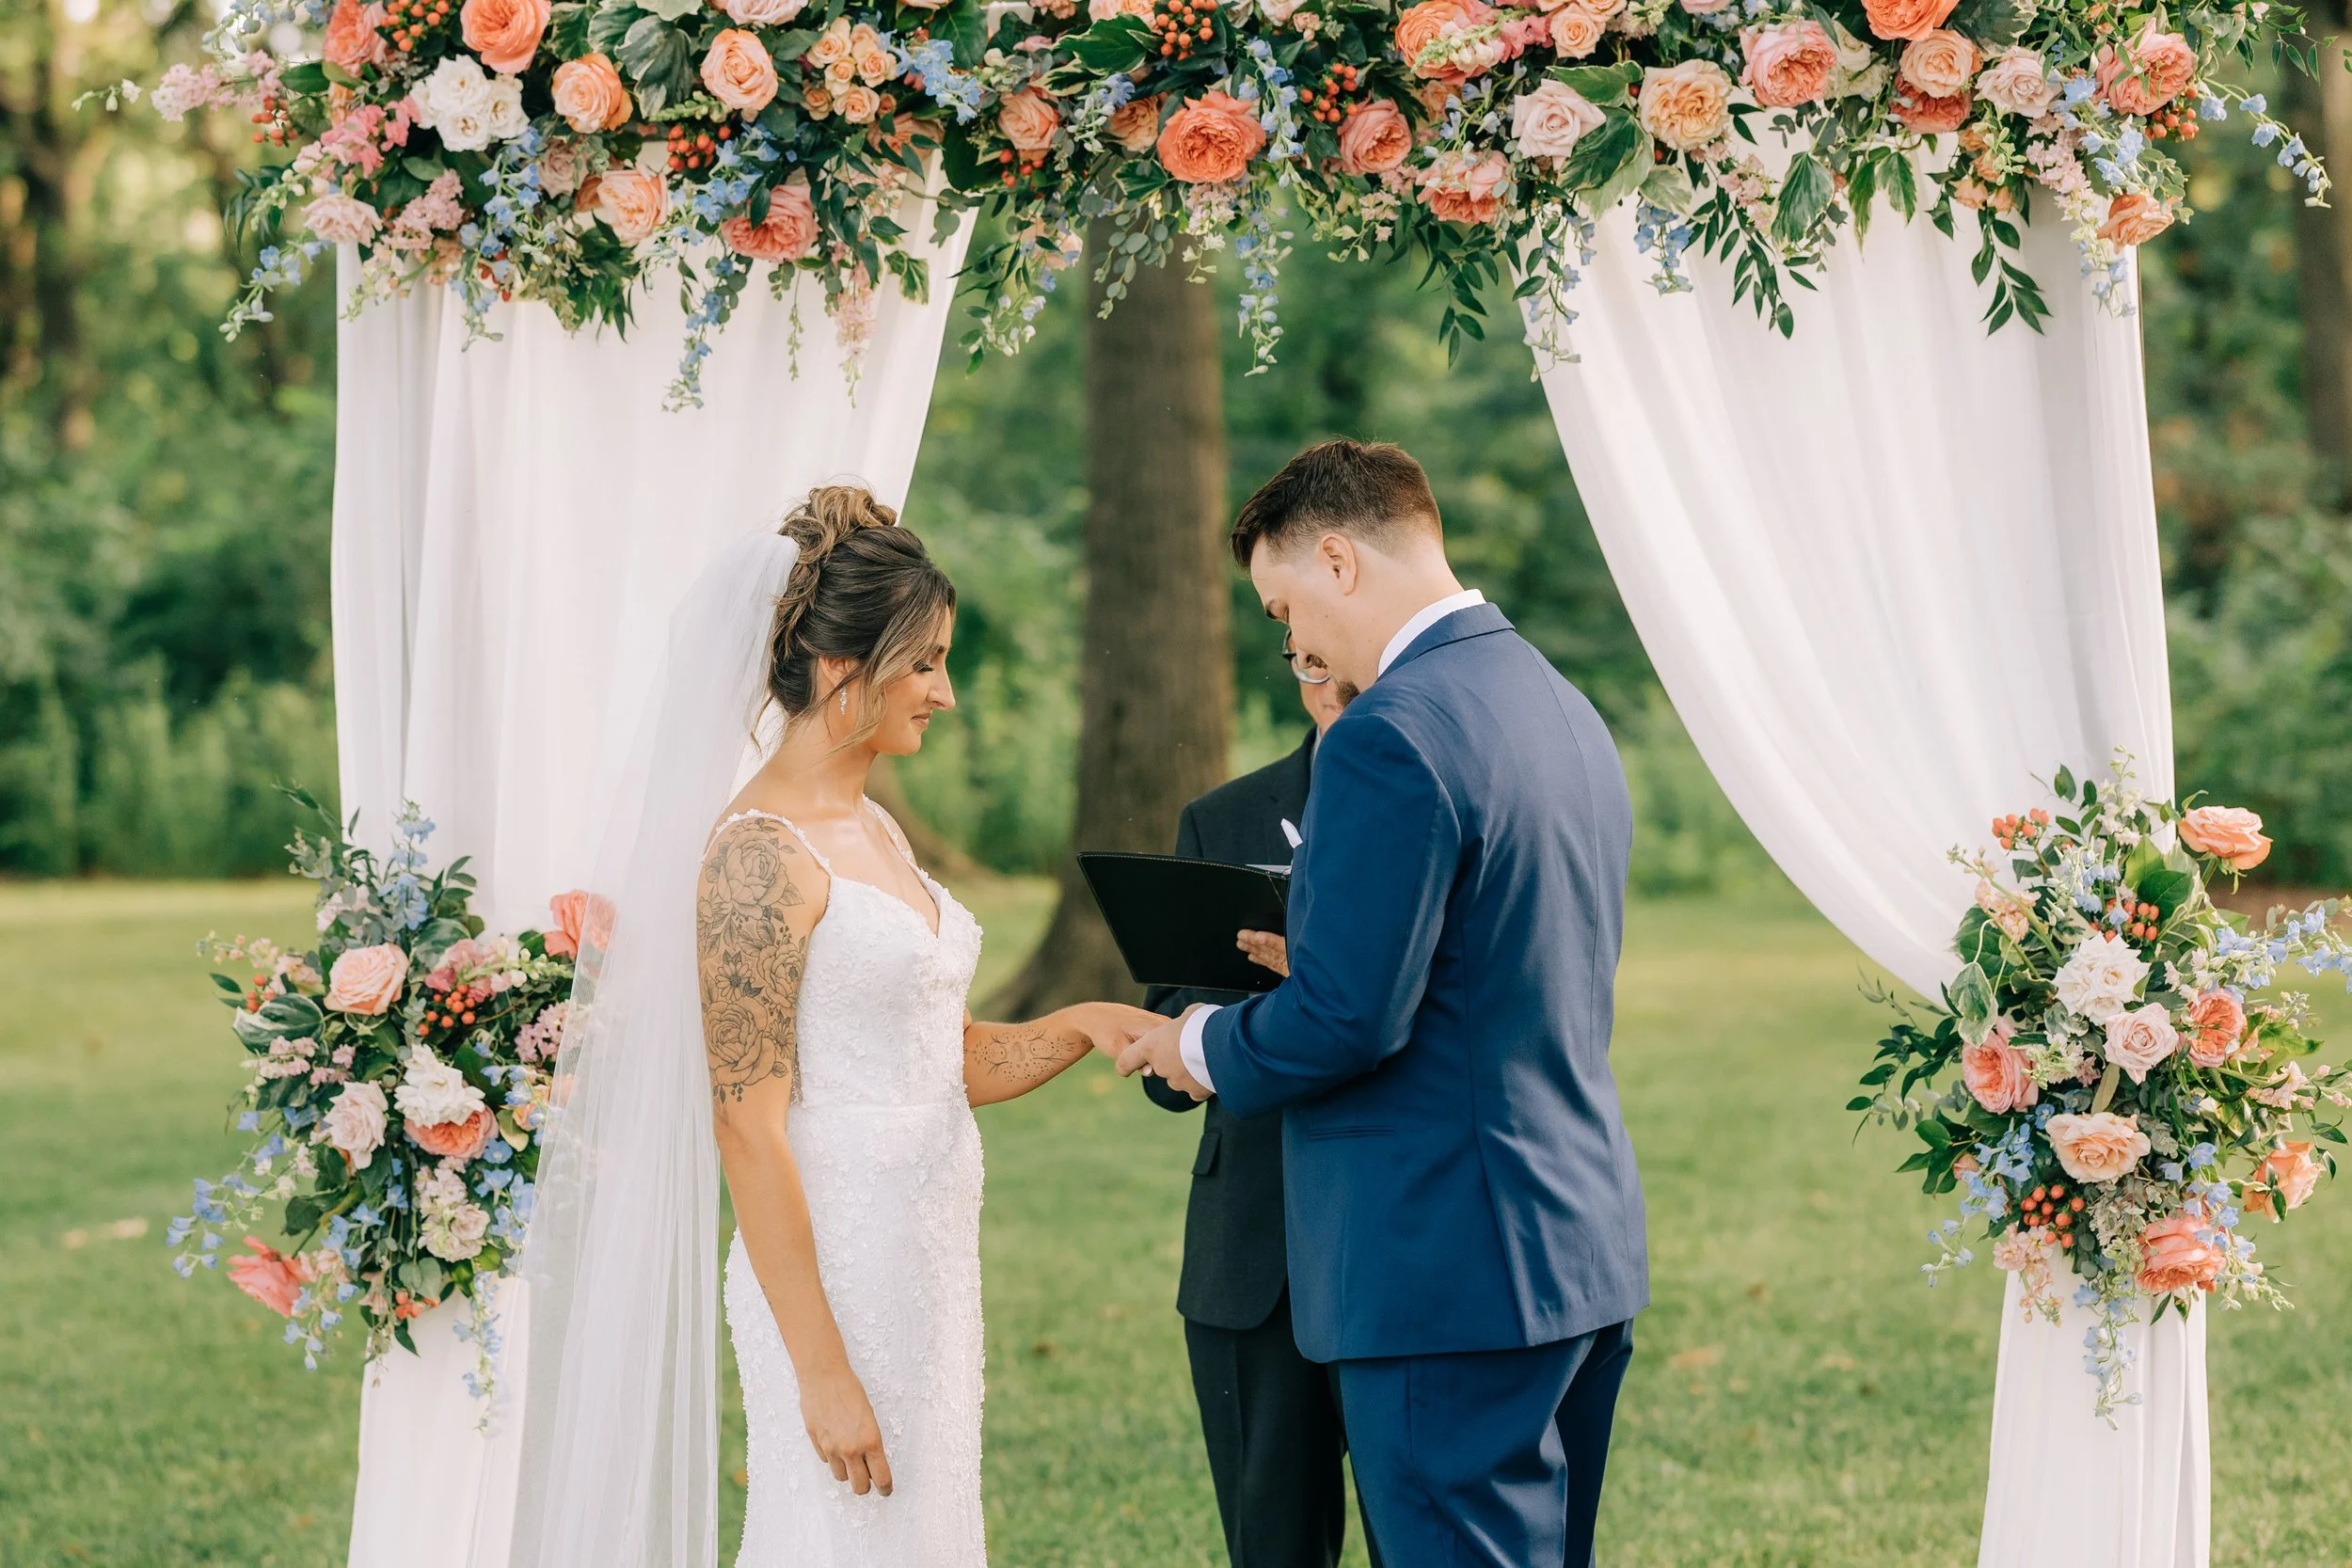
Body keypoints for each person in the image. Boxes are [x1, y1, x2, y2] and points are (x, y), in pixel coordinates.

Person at [488, 487, 1160, 1568]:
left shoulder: (876, 825)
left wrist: (1081, 1022)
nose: (946, 691)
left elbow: (936, 1060)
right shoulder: (758, 857)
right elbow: (746, 1125)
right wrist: (822, 1369)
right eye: (926, 662)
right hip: (834, 1271)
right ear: (846, 666)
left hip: (925, 1258)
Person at [1118, 440, 1649, 1568]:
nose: (1298, 646)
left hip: (1439, 1267)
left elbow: (1347, 1020)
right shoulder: (1558, 706)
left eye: (1285, 607)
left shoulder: (1387, 731)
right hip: (1574, 1248)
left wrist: (1195, 1039)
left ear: (1336, 558)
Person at [1140, 636, 1378, 1568]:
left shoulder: (1433, 800)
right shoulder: (1223, 817)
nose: (1333, 686)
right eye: (1309, 665)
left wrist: (1329, 982)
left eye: (1348, 663)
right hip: (1250, 1245)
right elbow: (1166, 1046)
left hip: (1393, 1237)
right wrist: (1257, 1004)